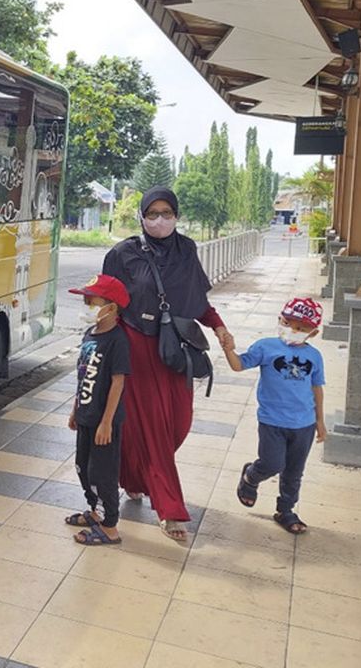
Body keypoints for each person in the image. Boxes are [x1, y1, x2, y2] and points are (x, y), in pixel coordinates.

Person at [102, 187, 234, 541]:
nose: (160, 220)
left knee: (177, 423)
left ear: (176, 214)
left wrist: (219, 326)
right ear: (142, 216)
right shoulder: (123, 253)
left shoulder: (186, 250)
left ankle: (132, 477)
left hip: (174, 351)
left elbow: (197, 300)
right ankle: (170, 509)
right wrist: (102, 350)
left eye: (167, 213)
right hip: (136, 349)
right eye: (153, 213)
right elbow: (108, 303)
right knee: (154, 429)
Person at [224, 297, 327, 534]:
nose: (293, 330)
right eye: (288, 323)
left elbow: (316, 389)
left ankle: (286, 510)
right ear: (279, 319)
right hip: (272, 421)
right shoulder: (266, 347)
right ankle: (251, 477)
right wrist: (228, 349)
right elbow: (239, 365)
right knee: (272, 463)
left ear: (313, 332)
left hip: (304, 424)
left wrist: (320, 421)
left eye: (301, 328)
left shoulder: (314, 357)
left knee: (293, 471)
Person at [64, 274, 131, 546]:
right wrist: (75, 409)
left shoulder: (118, 340)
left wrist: (106, 422)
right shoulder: (89, 334)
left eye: (92, 301)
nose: (86, 304)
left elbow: (118, 382)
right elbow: (82, 376)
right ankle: (95, 511)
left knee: (102, 473)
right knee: (83, 466)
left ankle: (110, 527)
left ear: (111, 307)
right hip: (85, 415)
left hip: (105, 421)